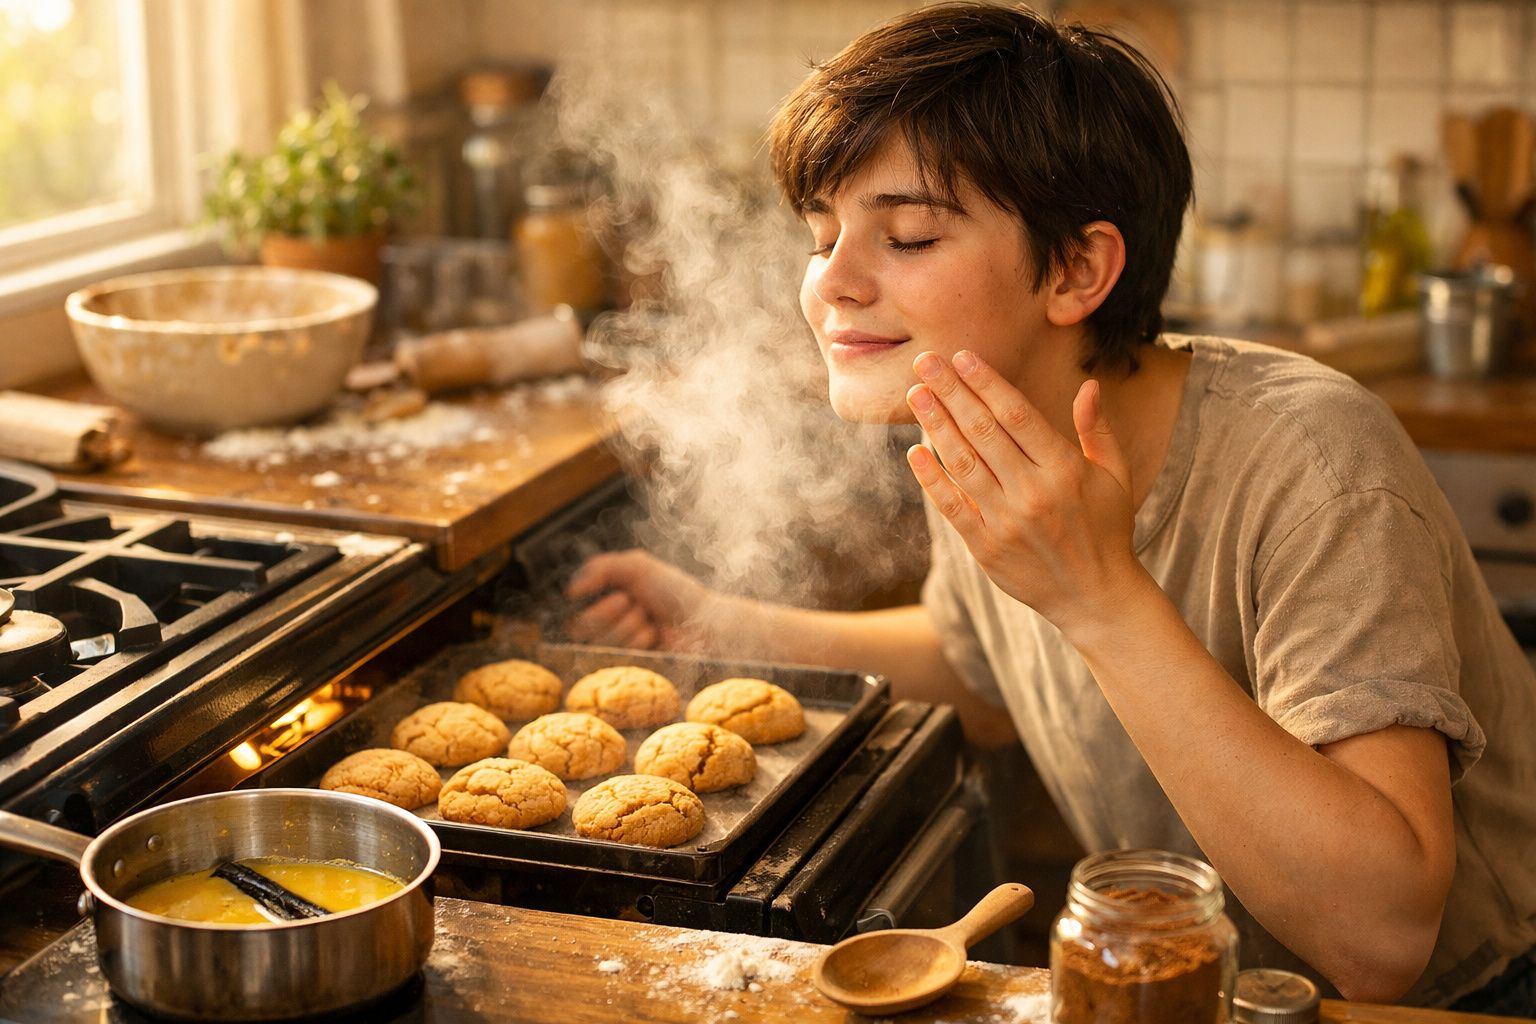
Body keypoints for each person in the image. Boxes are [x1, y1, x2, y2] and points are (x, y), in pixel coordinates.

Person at [565, 2, 1536, 1012]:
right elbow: (985, 670)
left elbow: (1384, 938)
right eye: (822, 235)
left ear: (1077, 269)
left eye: (905, 234)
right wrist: (722, 625)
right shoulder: (975, 410)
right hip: (1214, 984)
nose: (832, 284)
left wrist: (1102, 595)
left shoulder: (1314, 462)